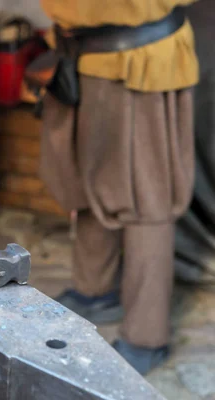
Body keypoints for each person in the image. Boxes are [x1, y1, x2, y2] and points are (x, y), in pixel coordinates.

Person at [36, 1, 199, 375]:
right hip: (78, 54)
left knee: (147, 195)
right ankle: (95, 291)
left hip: (140, 60)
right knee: (86, 179)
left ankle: (146, 336)